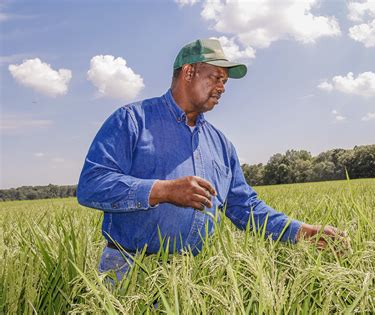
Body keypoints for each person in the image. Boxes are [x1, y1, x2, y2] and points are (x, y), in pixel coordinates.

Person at [77, 38, 343, 281]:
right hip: (127, 269)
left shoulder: (221, 145)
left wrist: (301, 231)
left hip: (189, 275)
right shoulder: (132, 120)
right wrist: (164, 190)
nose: (222, 88)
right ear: (188, 72)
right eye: (216, 77)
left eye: (225, 82)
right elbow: (92, 184)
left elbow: (245, 207)